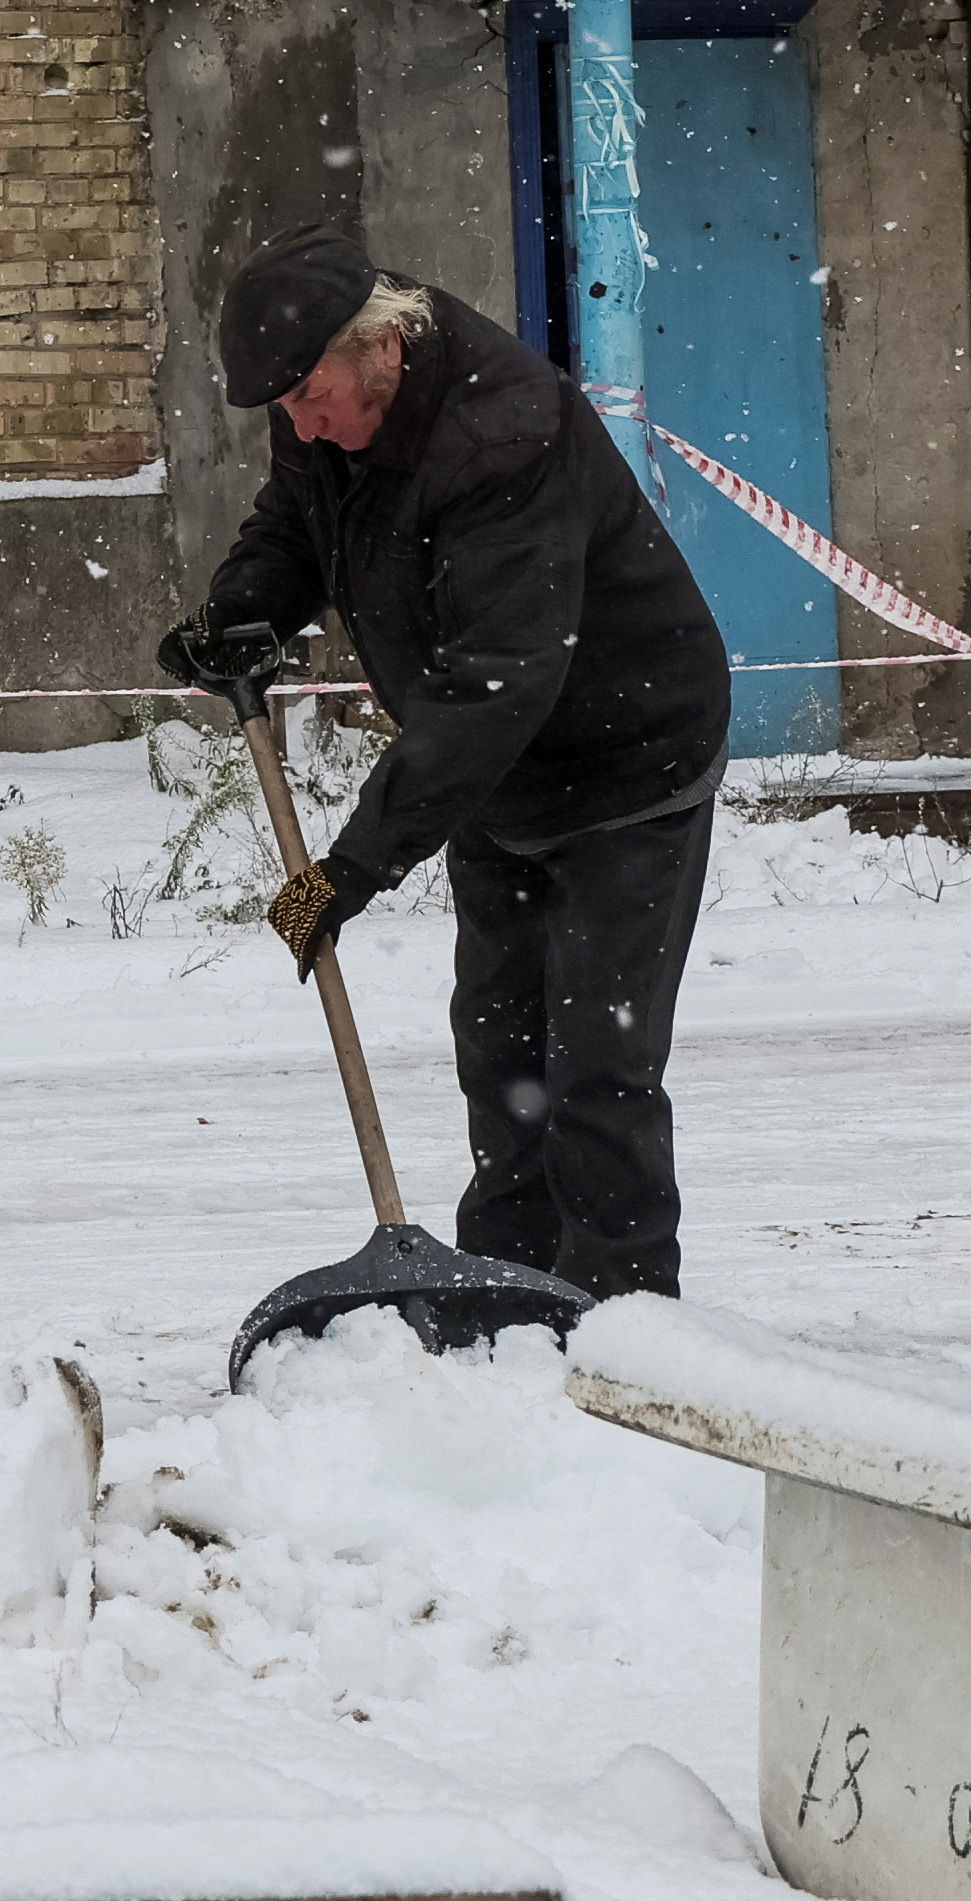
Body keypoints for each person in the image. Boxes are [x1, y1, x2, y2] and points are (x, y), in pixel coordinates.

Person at [160, 225, 732, 1300]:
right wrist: (244, 614)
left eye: (309, 398)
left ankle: (627, 1322)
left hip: (628, 762)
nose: (300, 425)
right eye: (284, 409)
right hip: (496, 777)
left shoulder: (500, 434)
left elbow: (496, 686)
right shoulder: (324, 403)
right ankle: (508, 1293)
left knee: (595, 1067)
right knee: (502, 1049)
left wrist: (352, 870)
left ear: (377, 346)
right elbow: (299, 520)